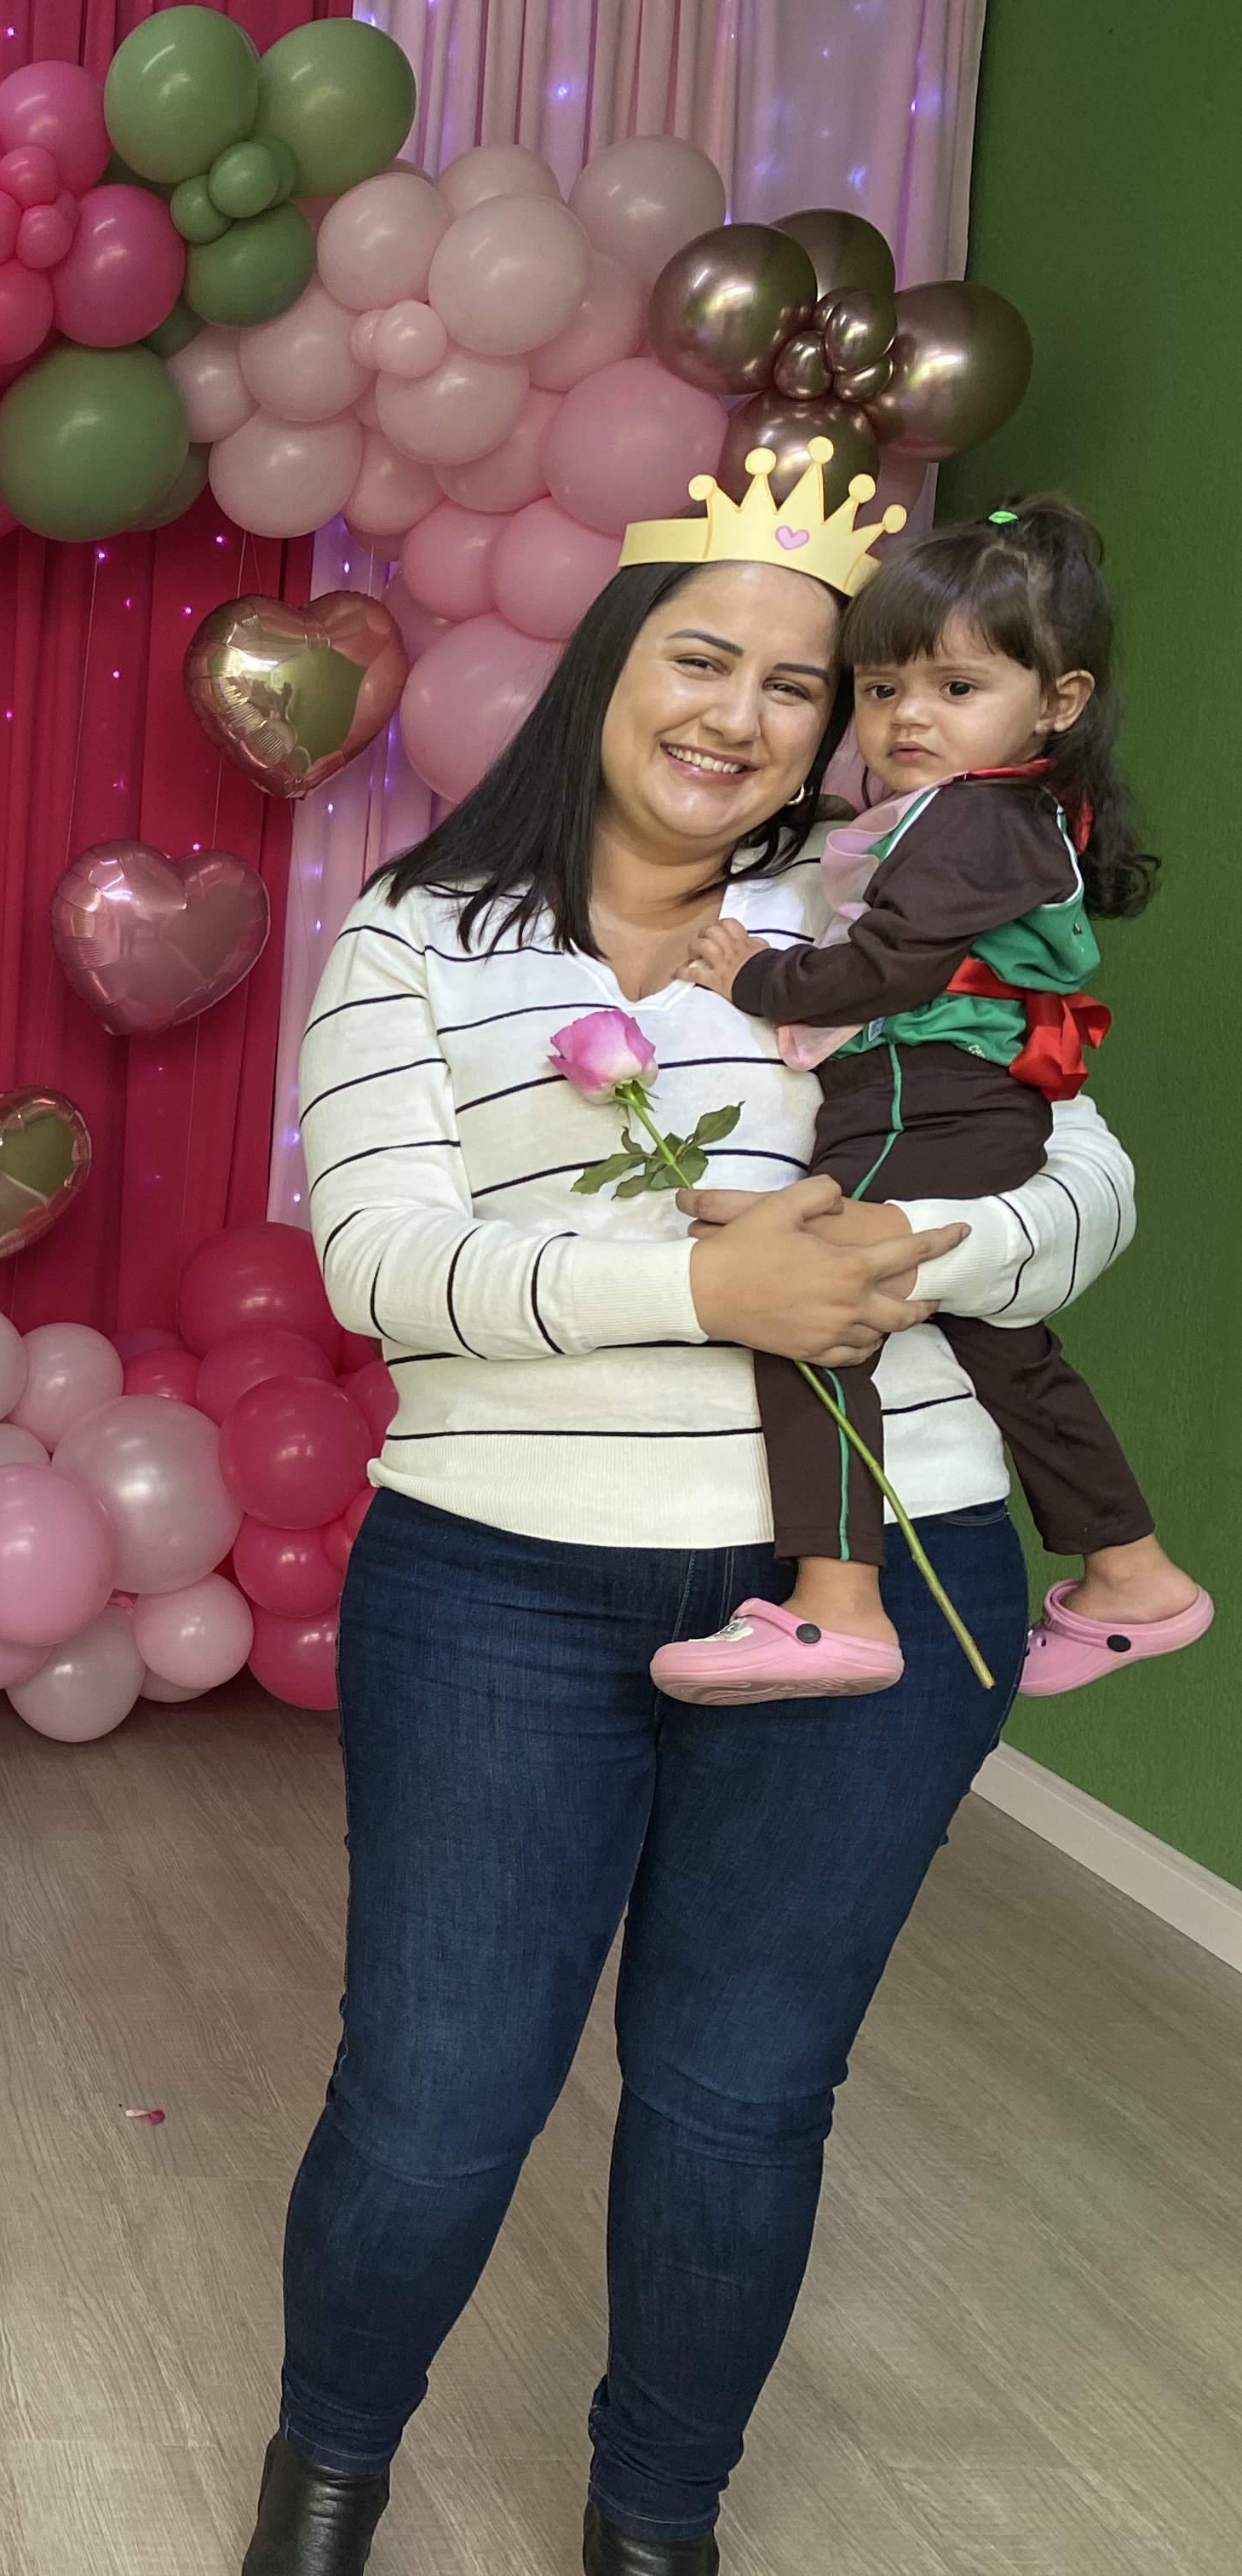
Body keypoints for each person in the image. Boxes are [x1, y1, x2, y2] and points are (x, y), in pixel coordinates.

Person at [247, 447, 1136, 2576]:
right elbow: (380, 1262)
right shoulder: (419, 935)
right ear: (609, 669)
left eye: (801, 686)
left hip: (897, 1568)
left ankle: (658, 2525)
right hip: (504, 1587)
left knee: (742, 2096)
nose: (743, 714)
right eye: (703, 658)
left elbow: (1086, 1181)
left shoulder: (884, 908)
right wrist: (704, 1290)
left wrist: (916, 1253)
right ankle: (328, 2483)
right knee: (440, 2094)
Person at [650, 497, 1208, 1700]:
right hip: (968, 1105)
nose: (909, 717)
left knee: (806, 1312)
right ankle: (1133, 1572)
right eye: (882, 688)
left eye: (957, 688)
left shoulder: (973, 816)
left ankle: (839, 1604)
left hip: (919, 1100)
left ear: (1058, 702)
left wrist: (757, 978)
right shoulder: (992, 815)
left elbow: (889, 967)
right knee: (1008, 1347)